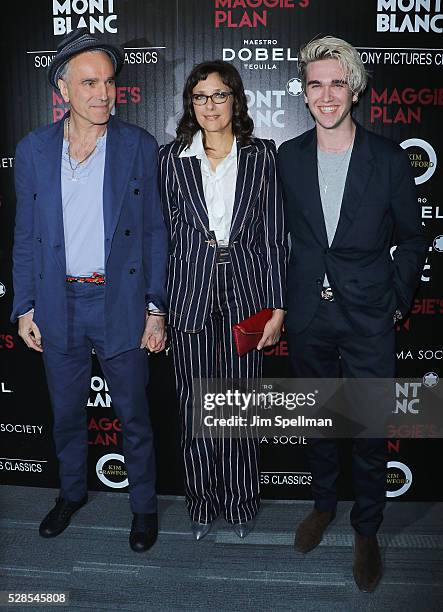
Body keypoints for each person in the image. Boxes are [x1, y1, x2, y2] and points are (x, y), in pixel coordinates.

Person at [278, 36, 427, 591]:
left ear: (355, 87)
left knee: (368, 426)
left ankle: (367, 528)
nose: (326, 94)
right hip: (308, 316)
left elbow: (413, 240)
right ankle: (322, 505)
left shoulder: (387, 159)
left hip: (368, 315)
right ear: (305, 91)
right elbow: (276, 240)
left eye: (337, 82)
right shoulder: (286, 156)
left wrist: (397, 299)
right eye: (315, 83)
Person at [11, 30, 168, 553]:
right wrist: (25, 306)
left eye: (108, 82)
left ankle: (143, 507)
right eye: (89, 82)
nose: (104, 93)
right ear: (63, 88)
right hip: (59, 305)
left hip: (119, 303)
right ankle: (71, 493)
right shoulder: (32, 150)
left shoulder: (139, 146)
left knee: (134, 416)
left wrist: (155, 307)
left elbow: (154, 233)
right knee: (65, 413)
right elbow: (27, 235)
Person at [159, 60, 287, 540]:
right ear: (190, 105)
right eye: (200, 97)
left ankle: (238, 503)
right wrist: (158, 307)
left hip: (249, 294)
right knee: (195, 407)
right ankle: (200, 504)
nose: (210, 105)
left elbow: (275, 237)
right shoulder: (170, 159)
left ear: (235, 100)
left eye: (219, 95)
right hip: (188, 294)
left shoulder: (262, 156)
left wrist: (278, 306)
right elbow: (163, 238)